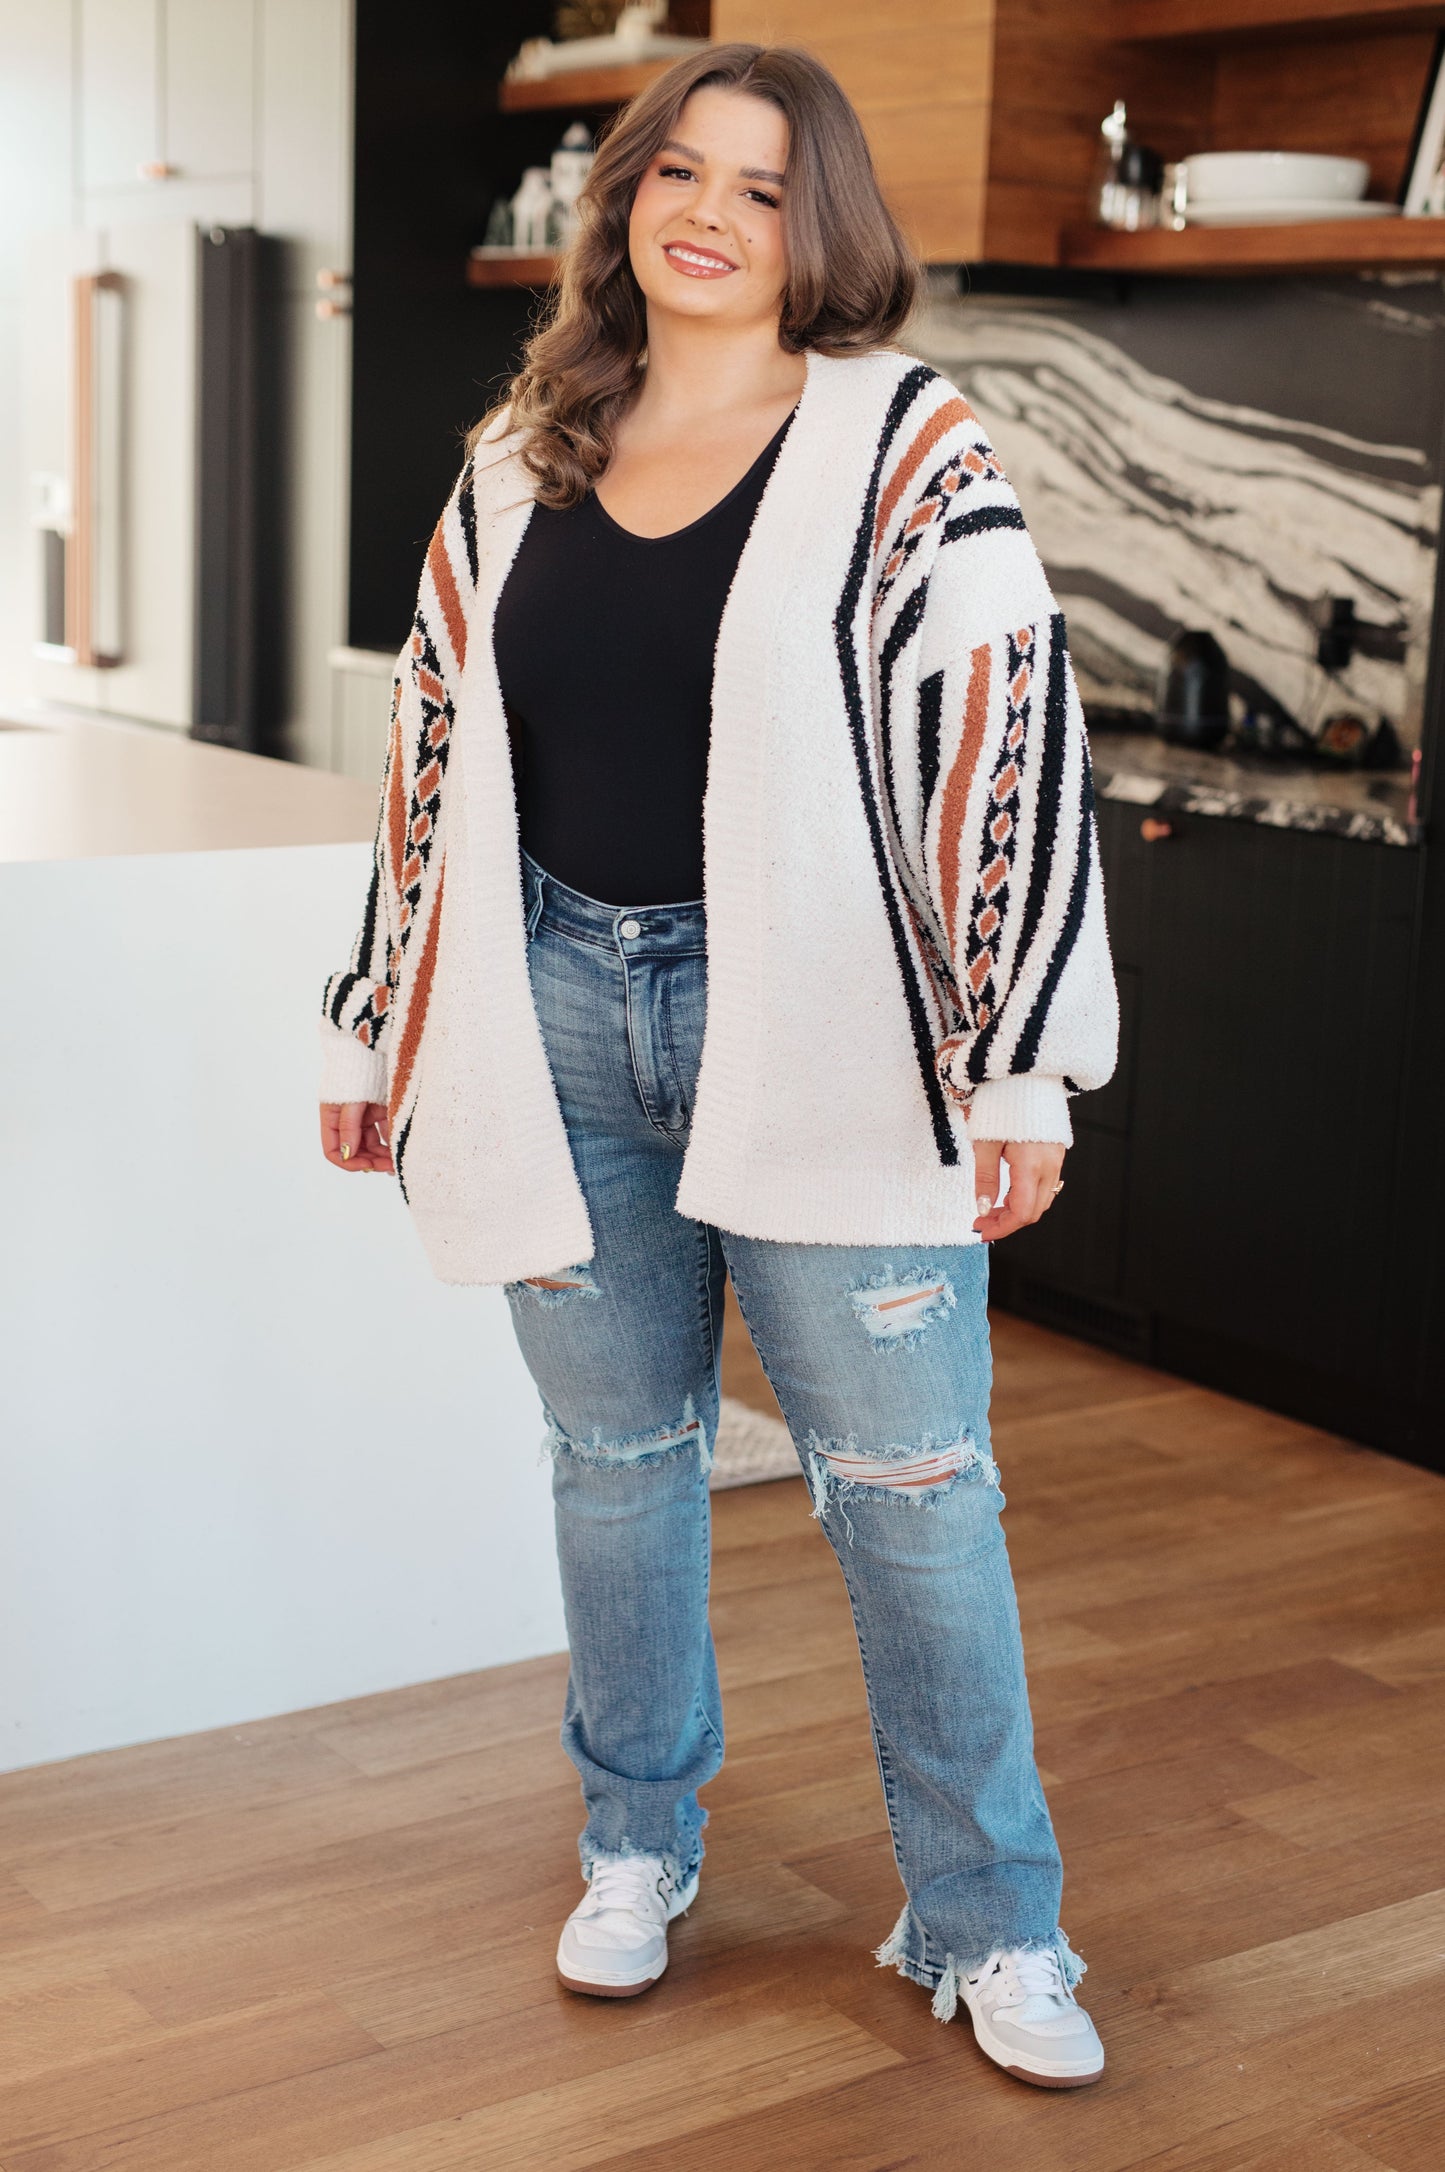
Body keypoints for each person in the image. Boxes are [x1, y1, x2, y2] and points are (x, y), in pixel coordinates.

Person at [318, 42, 1117, 2091]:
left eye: (766, 188)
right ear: (626, 196)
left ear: (818, 226)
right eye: (684, 169)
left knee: (915, 1484)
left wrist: (1016, 1067)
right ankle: (636, 1839)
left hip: (834, 1038)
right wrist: (374, 1017)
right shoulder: (525, 448)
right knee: (617, 1467)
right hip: (551, 1012)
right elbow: (429, 758)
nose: (713, 212)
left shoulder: (905, 442)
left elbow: (1005, 751)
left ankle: (990, 1916)